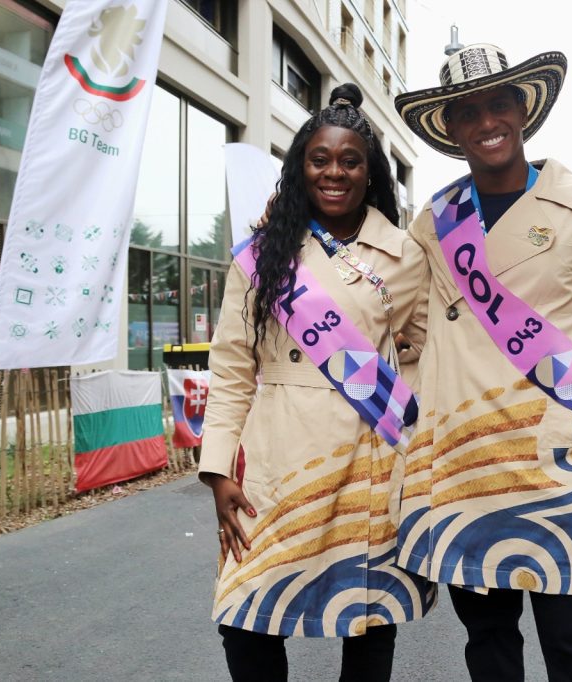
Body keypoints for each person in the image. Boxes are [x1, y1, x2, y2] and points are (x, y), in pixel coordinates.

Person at [394, 44, 572, 681]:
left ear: (524, 109)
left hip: (565, 468)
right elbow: (412, 334)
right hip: (467, 468)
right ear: (450, 130)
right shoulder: (434, 222)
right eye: (469, 111)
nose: (488, 122)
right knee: (489, 651)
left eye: (500, 103)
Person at [197, 83, 436, 682]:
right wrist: (220, 468)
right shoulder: (264, 250)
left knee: (367, 612)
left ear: (369, 171)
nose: (335, 172)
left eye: (350, 160)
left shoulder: (403, 253)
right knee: (246, 610)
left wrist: (397, 380)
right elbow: (231, 368)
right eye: (320, 159)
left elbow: (436, 346)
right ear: (300, 167)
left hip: (368, 456)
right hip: (277, 455)